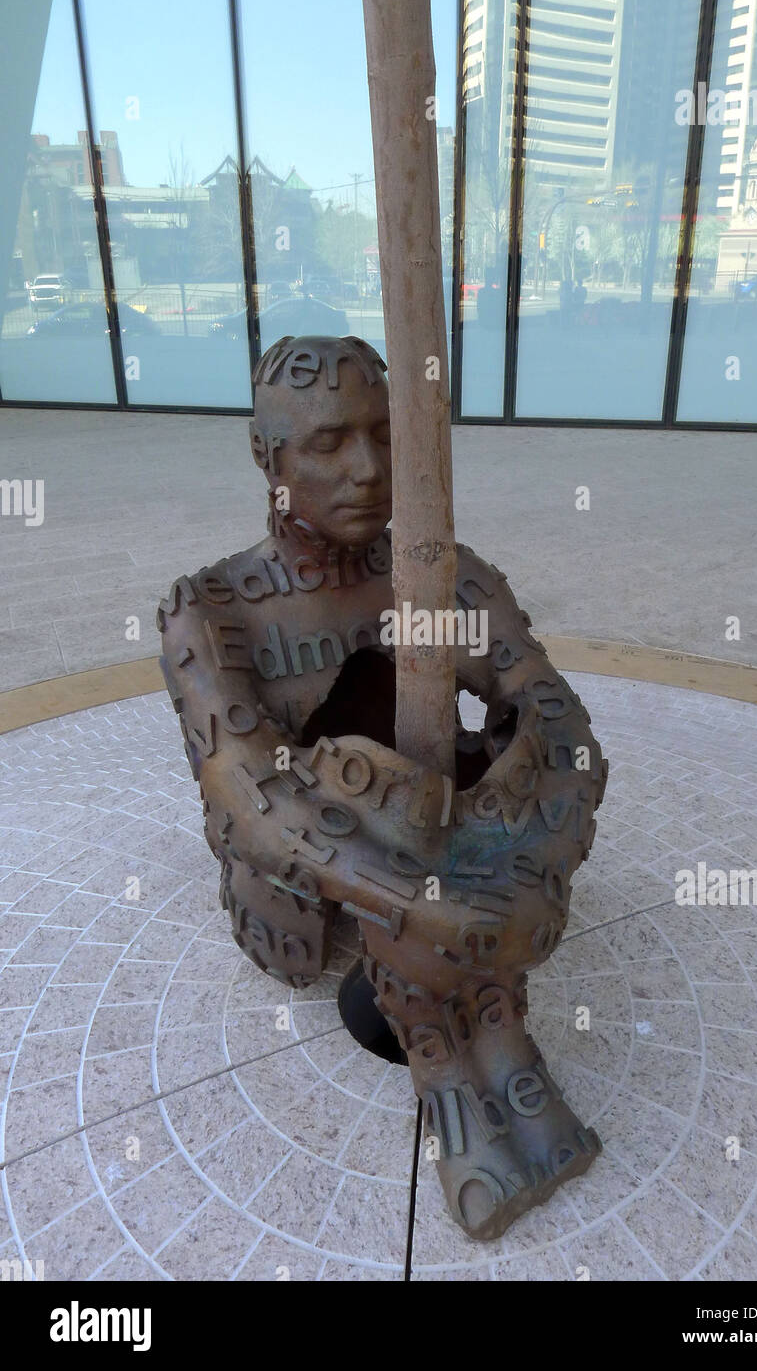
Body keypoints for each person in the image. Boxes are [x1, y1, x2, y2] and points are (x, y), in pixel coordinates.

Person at [158, 334, 607, 1239]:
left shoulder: (449, 575)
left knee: (454, 777)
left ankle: (477, 1061)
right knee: (354, 795)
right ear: (267, 457)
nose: (367, 469)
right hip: (306, 898)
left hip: (455, 864)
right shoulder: (212, 610)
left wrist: (537, 863)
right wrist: (432, 910)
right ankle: (460, 1061)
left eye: (383, 435)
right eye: (328, 442)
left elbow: (564, 732)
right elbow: (253, 804)